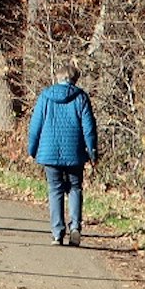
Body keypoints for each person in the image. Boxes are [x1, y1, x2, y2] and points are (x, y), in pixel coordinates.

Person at [27, 62, 99, 246]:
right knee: (75, 188)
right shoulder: (81, 97)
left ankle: (57, 233)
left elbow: (35, 127)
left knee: (55, 190)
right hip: (75, 152)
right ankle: (75, 227)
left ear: (58, 78)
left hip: (49, 152)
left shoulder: (45, 97)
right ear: (75, 79)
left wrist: (32, 150)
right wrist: (92, 152)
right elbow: (89, 129)